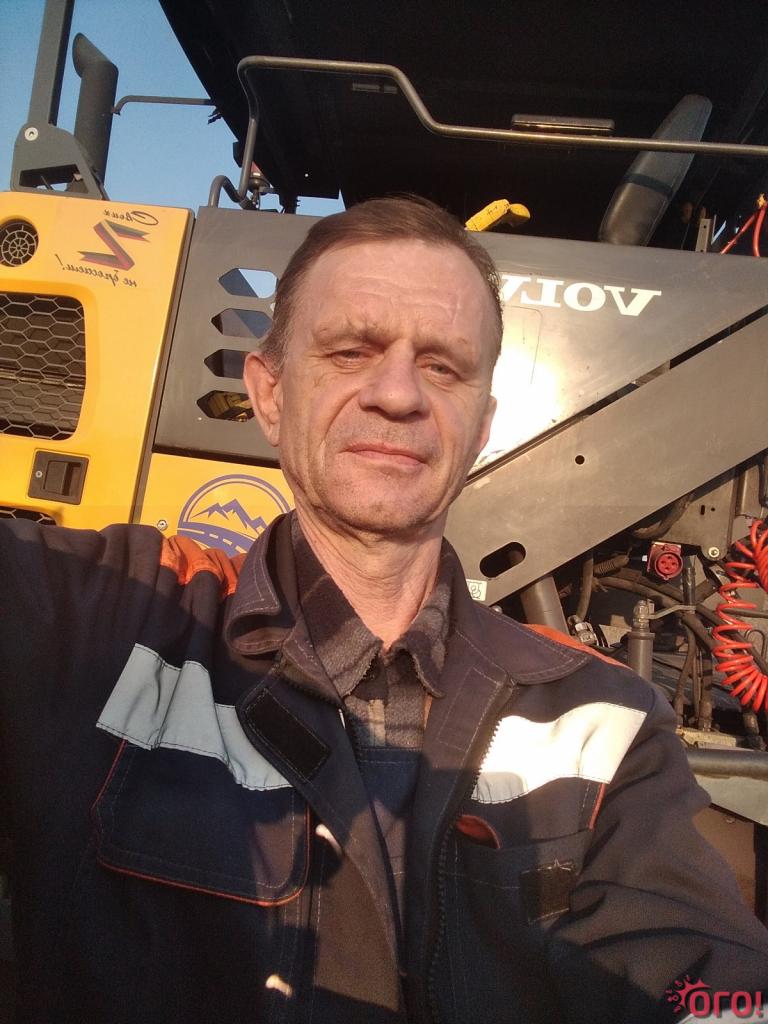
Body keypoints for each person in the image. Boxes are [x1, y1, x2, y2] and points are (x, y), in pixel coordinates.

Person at [1, 196, 767, 1024]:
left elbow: (702, 980)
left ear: (482, 426)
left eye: (442, 367)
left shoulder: (605, 720)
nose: (398, 394)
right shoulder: (103, 621)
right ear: (269, 393)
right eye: (349, 351)